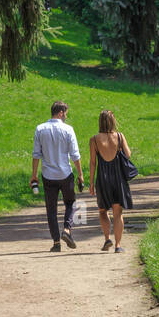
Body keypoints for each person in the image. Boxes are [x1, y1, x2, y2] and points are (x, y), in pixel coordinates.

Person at [31, 101, 84, 252]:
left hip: (48, 175)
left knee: (51, 209)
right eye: (65, 113)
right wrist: (80, 174)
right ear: (60, 113)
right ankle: (67, 230)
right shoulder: (68, 129)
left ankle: (56, 243)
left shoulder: (40, 129)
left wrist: (34, 175)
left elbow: (36, 155)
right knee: (70, 203)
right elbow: (75, 154)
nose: (66, 116)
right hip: (65, 173)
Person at [89, 110, 133, 253]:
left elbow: (93, 163)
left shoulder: (94, 140)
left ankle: (107, 238)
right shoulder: (120, 136)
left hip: (103, 179)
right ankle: (118, 245)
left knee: (102, 210)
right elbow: (128, 154)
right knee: (118, 213)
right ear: (113, 121)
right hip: (118, 179)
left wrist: (91, 183)